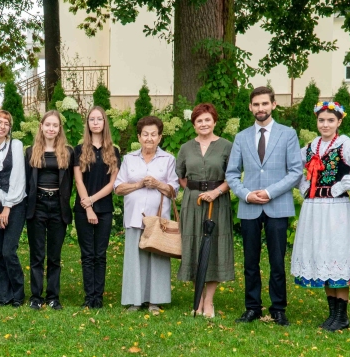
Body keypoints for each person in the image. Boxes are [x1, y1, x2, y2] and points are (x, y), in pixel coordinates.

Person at [290, 101, 350, 331]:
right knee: (323, 255)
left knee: (337, 253)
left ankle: (342, 315)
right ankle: (332, 314)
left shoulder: (344, 145)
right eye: (321, 120)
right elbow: (294, 167)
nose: (325, 124)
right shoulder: (311, 147)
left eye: (330, 120)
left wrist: (343, 185)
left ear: (339, 122)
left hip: (336, 208)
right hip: (314, 207)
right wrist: (304, 186)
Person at [225, 85, 304, 326]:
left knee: (277, 261)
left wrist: (270, 192)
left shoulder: (287, 134)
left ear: (273, 105)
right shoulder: (241, 137)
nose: (261, 108)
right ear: (250, 107)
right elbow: (231, 173)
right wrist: (246, 195)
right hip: (249, 206)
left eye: (265, 103)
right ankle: (252, 307)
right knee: (250, 261)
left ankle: (278, 308)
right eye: (256, 104)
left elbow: (295, 171)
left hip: (277, 204)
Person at [114, 116, 180, 315]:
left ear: (160, 137)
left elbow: (174, 190)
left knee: (157, 258)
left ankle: (155, 301)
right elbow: (118, 188)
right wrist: (139, 184)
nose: (149, 138)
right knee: (134, 260)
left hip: (158, 221)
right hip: (134, 217)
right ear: (139, 137)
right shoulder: (129, 159)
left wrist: (158, 184)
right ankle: (135, 301)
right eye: (145, 134)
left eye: (153, 134)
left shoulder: (168, 159)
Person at [175, 103, 234, 318]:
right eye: (199, 121)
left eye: (207, 119)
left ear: (215, 122)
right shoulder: (186, 148)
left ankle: (209, 301)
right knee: (194, 246)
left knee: (214, 246)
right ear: (194, 125)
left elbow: (232, 177)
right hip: (193, 203)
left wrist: (215, 192)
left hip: (218, 203)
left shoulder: (226, 146)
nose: (203, 124)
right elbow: (181, 176)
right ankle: (197, 299)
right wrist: (195, 192)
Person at [24, 110, 74, 310]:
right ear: (41, 127)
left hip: (58, 207)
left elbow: (70, 181)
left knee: (54, 256)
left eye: (55, 125)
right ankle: (36, 297)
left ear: (59, 128)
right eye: (47, 125)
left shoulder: (68, 152)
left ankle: (53, 296)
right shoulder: (31, 151)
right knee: (37, 254)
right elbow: (27, 180)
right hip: (37, 206)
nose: (51, 128)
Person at [72, 105, 120, 309]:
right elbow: (78, 181)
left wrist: (92, 201)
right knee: (87, 254)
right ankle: (88, 296)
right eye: (92, 119)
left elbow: (112, 184)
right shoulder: (79, 150)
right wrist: (88, 207)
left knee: (100, 254)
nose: (95, 122)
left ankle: (98, 297)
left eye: (99, 119)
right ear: (88, 123)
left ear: (104, 122)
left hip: (104, 209)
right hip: (83, 210)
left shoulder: (114, 151)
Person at [0, 109, 26, 307]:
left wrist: (7, 207)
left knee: (9, 250)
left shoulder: (15, 145)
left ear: (10, 128)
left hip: (15, 204)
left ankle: (18, 293)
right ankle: (3, 295)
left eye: (6, 123)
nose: (2, 126)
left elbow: (18, 177)